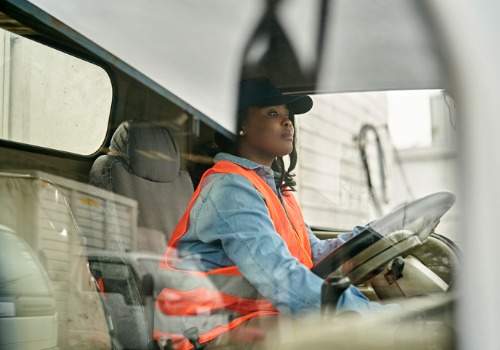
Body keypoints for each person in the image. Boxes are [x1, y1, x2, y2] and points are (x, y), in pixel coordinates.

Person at [154, 77, 395, 349]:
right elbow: (277, 275)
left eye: (287, 115)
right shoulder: (230, 188)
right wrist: (368, 313)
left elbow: (312, 254)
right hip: (203, 331)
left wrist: (372, 236)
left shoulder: (277, 191)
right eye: (273, 113)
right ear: (241, 126)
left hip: (247, 316)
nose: (288, 121)